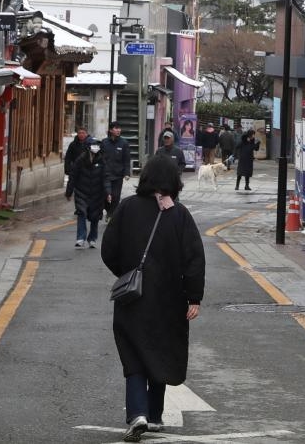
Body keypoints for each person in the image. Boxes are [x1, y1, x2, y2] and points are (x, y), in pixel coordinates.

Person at [101, 154, 205, 442]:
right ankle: (155, 415)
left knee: (133, 353)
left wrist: (127, 273)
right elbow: (194, 259)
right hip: (170, 299)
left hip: (131, 297)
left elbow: (108, 249)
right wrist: (194, 296)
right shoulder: (179, 215)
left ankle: (139, 414)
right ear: (175, 180)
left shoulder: (127, 208)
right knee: (160, 350)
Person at [66, 138, 107, 249]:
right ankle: (80, 238)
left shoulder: (102, 160)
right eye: (93, 145)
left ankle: (92, 238)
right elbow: (73, 177)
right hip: (81, 191)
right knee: (81, 213)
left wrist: (108, 193)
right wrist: (69, 192)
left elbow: (106, 178)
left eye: (97, 146)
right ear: (88, 147)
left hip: (97, 193)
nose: (96, 147)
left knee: (95, 217)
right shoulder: (80, 160)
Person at [102, 121, 132, 219]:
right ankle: (108, 210)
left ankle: (111, 214)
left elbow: (127, 160)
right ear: (111, 130)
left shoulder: (124, 143)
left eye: (119, 128)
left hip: (118, 175)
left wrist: (127, 173)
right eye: (116, 128)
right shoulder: (104, 142)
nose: (118, 130)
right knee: (105, 195)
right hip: (105, 174)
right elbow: (100, 158)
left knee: (115, 196)